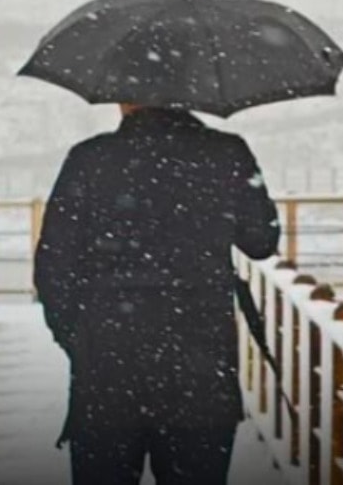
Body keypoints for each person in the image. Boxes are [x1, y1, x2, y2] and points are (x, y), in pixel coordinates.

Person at [33, 103, 280, 485]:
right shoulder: (227, 153)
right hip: (201, 367)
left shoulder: (89, 158)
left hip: (107, 368)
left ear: (123, 100)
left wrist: (78, 338)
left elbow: (53, 265)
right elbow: (262, 241)